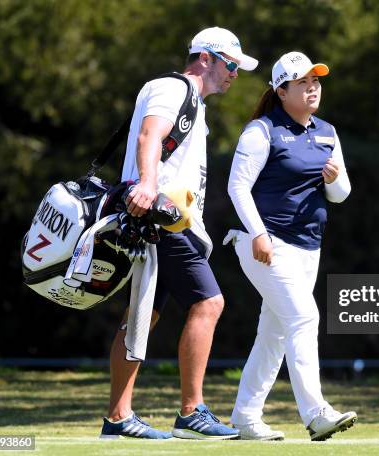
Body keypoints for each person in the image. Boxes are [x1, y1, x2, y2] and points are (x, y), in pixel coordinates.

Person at [99, 27, 258, 440]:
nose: (234, 74)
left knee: (141, 319)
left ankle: (117, 419)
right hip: (163, 219)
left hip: (163, 220)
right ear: (205, 58)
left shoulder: (195, 103)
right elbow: (150, 133)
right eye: (230, 64)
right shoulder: (172, 88)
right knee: (210, 303)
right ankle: (191, 412)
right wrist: (148, 184)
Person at [225, 51, 356, 441]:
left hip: (307, 246)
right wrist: (259, 234)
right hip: (261, 242)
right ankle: (316, 414)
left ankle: (245, 417)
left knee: (275, 333)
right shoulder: (261, 131)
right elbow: (237, 187)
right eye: (303, 83)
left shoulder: (328, 133)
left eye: (316, 81)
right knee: (304, 318)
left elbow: (341, 194)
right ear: (281, 91)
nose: (313, 88)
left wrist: (332, 179)